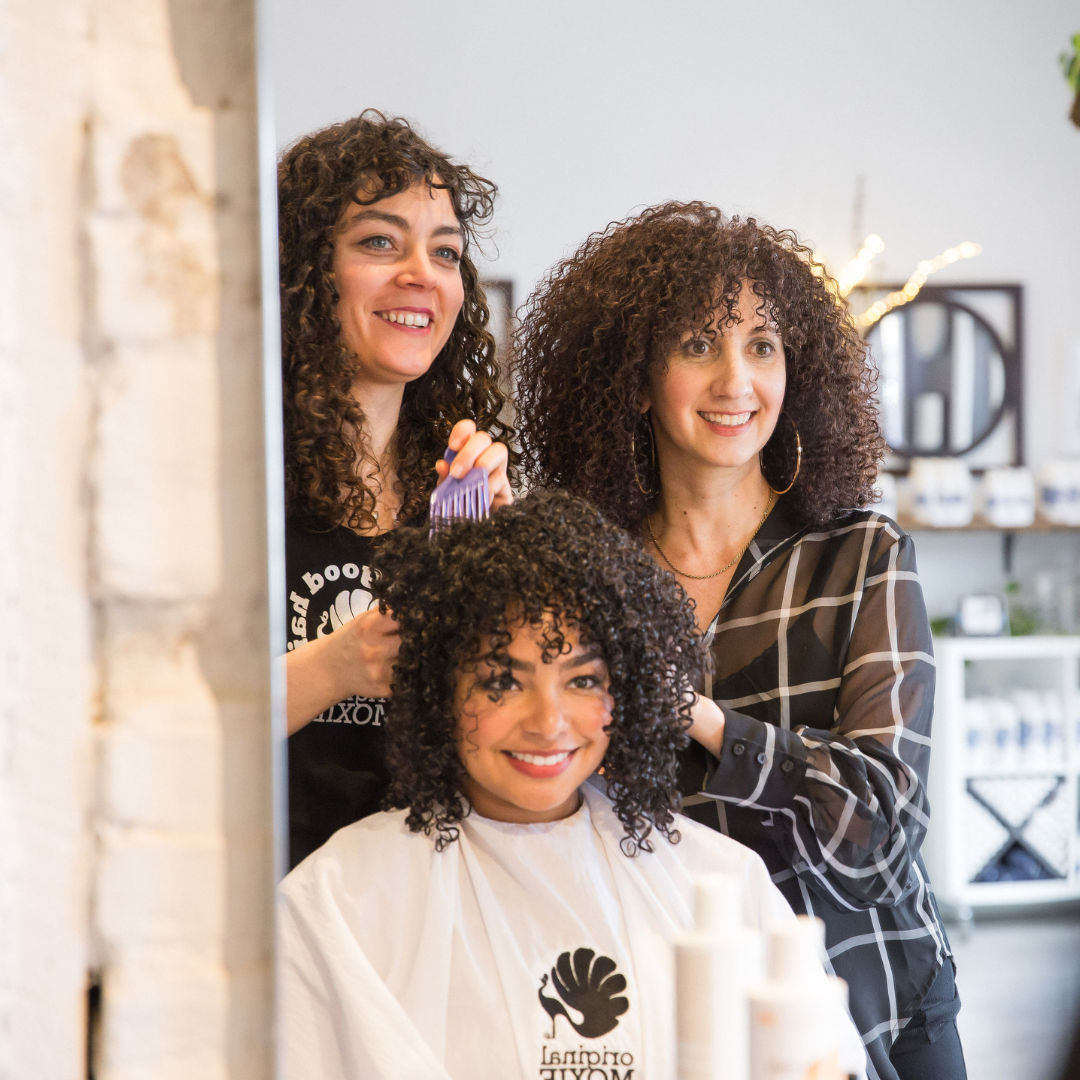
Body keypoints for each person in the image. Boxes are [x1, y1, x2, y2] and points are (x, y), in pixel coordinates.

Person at [511, 203, 966, 1080]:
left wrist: (703, 721)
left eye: (763, 347)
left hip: (870, 992)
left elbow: (880, 824)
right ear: (636, 380)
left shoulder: (861, 556)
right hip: (673, 1002)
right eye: (697, 346)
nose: (736, 381)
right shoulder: (583, 569)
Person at [278, 492, 865, 1080]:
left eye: (582, 680)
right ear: (439, 689)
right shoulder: (340, 903)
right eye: (501, 682)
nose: (547, 723)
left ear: (625, 689)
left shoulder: (718, 882)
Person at [278, 111, 514, 867]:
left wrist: (501, 572)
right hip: (256, 914)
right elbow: (165, 730)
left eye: (444, 252)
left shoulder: (459, 489)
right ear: (305, 270)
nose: (420, 273)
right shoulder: (230, 475)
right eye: (379, 241)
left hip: (417, 908)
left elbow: (502, 736)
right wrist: (341, 665)